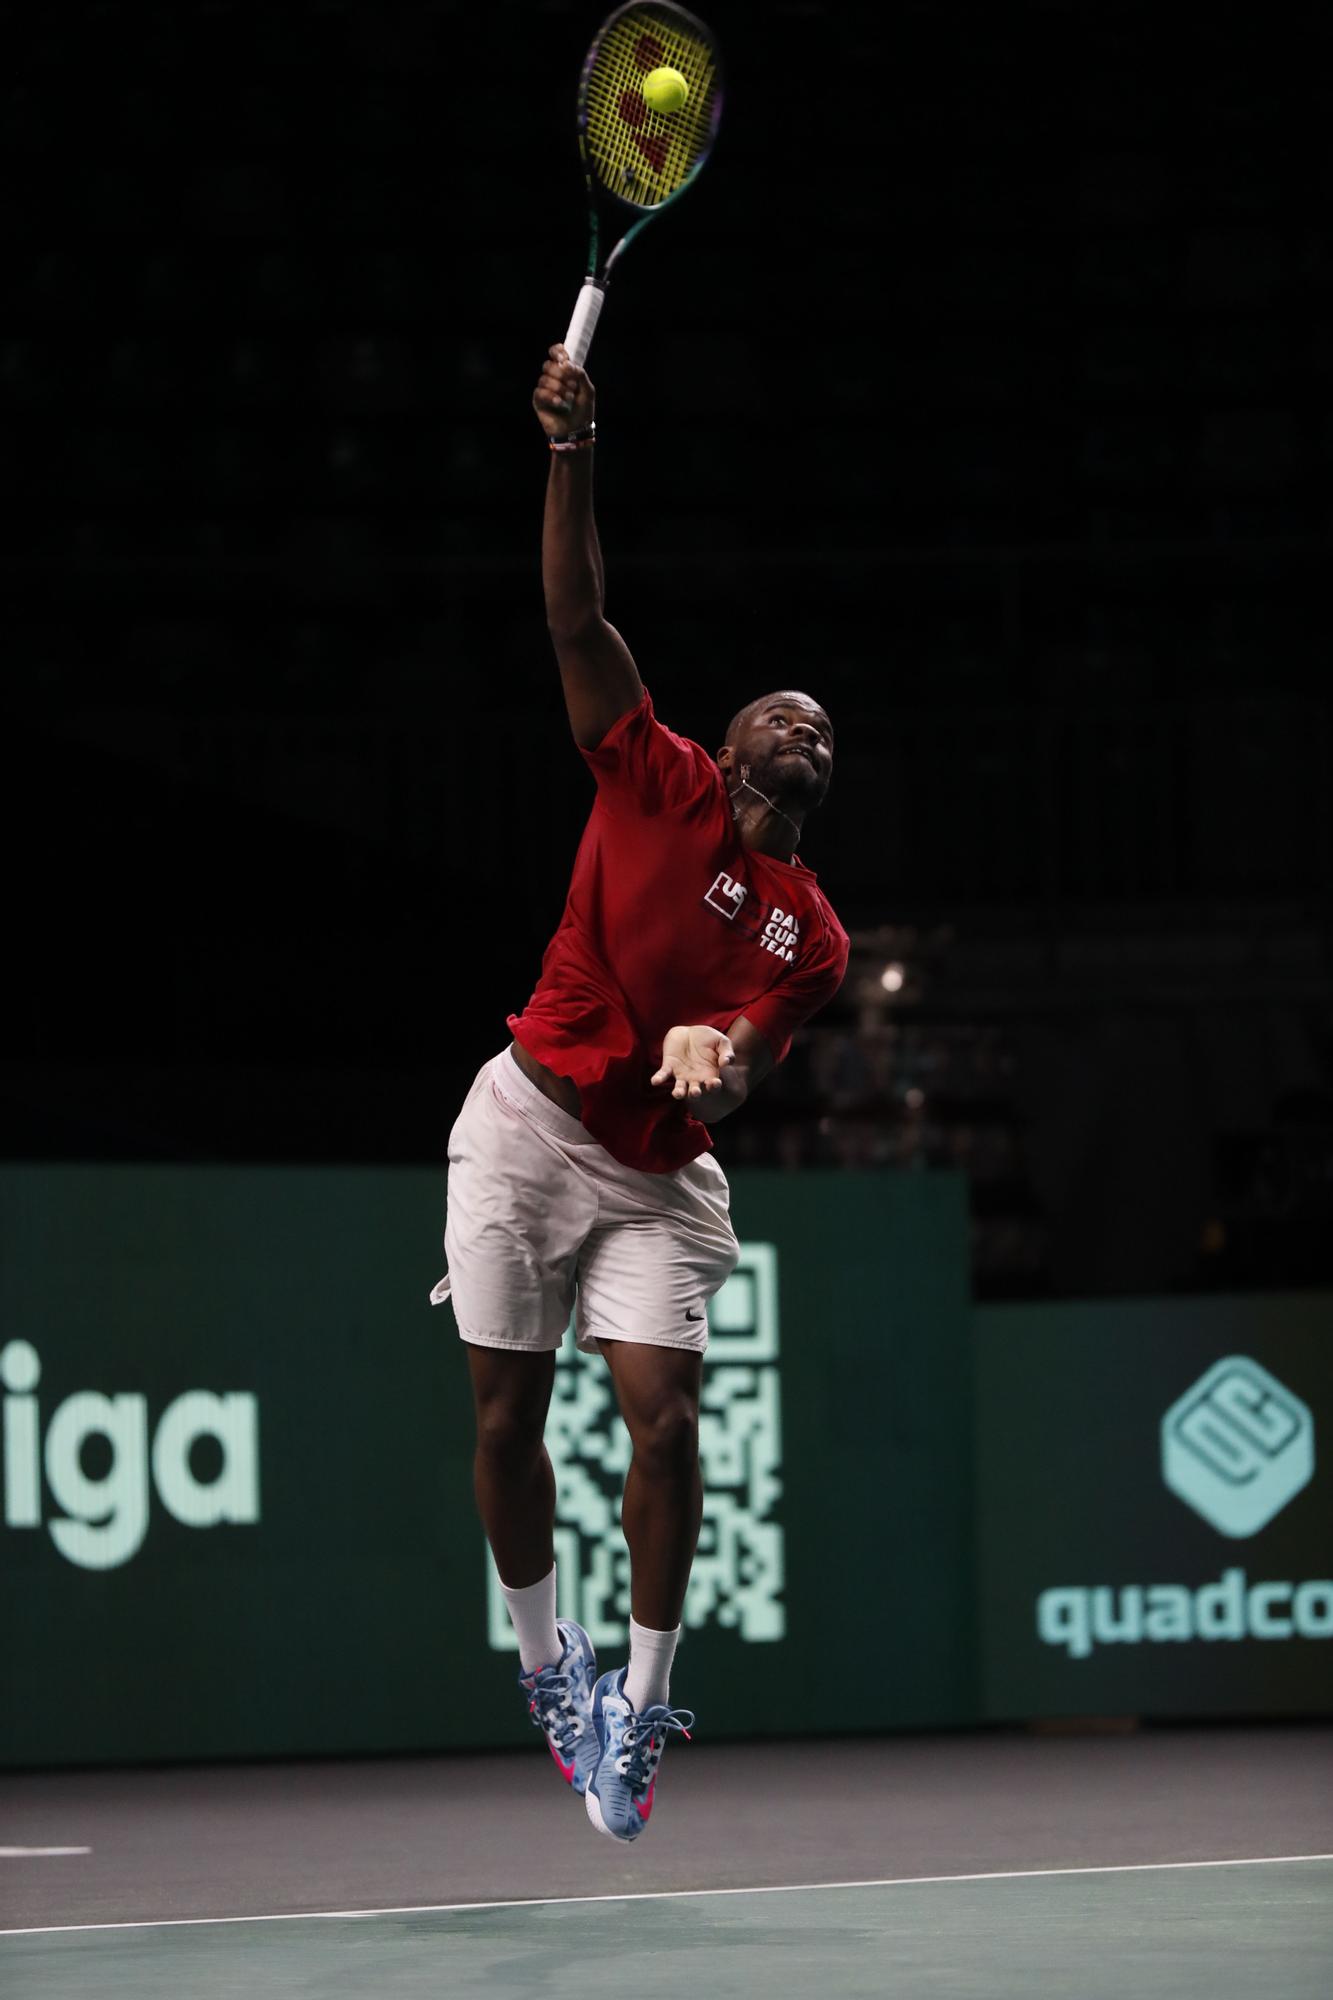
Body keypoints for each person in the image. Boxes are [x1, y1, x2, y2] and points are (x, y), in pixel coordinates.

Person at [432, 342, 849, 1843]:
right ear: (726, 742)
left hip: (656, 1174)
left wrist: (717, 1061)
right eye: (780, 715)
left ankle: (644, 1706)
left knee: (662, 1427)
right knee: (502, 1419)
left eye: (822, 731)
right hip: (526, 1125)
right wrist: (572, 447)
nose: (804, 729)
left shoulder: (814, 932)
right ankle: (552, 1665)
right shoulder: (647, 772)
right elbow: (572, 611)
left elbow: (739, 1081)